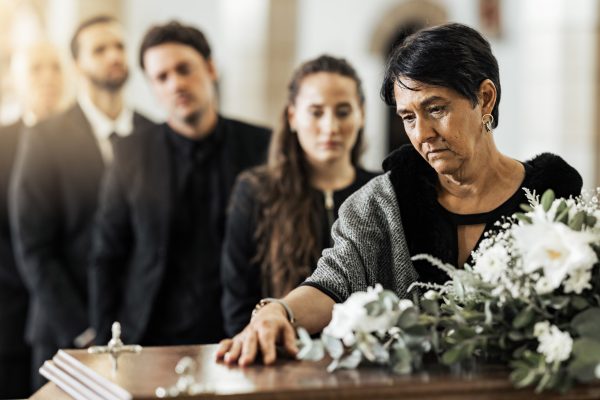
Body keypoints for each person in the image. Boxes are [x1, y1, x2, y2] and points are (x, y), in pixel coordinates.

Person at [216, 22, 583, 366]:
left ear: (485, 99)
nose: (422, 132)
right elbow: (333, 283)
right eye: (408, 117)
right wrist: (279, 312)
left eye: (435, 109)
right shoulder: (380, 202)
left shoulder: (551, 200)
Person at [88, 21, 270, 348]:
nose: (176, 84)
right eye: (162, 77)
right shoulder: (130, 152)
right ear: (152, 87)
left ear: (211, 68)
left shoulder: (262, 146)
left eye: (184, 69)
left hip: (239, 333)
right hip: (148, 334)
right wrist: (104, 341)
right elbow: (108, 254)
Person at [9, 16, 153, 389]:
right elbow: (34, 245)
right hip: (64, 331)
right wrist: (83, 328)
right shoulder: (46, 137)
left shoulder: (152, 134)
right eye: (99, 49)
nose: (113, 56)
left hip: (143, 332)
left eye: (119, 47)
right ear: (78, 65)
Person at [221, 55, 378, 336]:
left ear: (361, 114)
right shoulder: (257, 192)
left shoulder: (379, 193)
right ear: (293, 116)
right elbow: (238, 301)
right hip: (280, 357)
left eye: (343, 111)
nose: (330, 127)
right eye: (316, 112)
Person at [0, 41, 65, 399]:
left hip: (67, 316)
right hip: (10, 308)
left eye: (55, 68)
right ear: (15, 78)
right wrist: (38, 278)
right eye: (36, 69)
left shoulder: (84, 144)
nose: (48, 78)